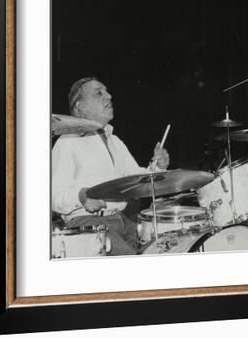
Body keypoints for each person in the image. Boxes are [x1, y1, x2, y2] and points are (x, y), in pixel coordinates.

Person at [51, 77, 170, 256]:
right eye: (99, 93)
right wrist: (81, 196)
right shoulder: (68, 142)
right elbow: (53, 194)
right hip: (87, 224)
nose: (109, 96)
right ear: (81, 107)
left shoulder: (115, 141)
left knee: (164, 248)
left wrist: (159, 167)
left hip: (122, 220)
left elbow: (137, 180)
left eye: (107, 91)